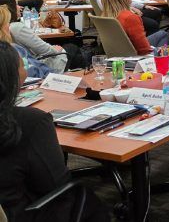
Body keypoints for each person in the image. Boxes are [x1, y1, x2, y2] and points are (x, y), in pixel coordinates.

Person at [0, 42, 110, 222]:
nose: (26, 70)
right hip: (22, 213)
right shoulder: (29, 122)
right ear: (11, 76)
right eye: (23, 65)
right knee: (87, 200)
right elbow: (56, 184)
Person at [0, 0, 68, 73]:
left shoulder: (8, 28)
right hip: (36, 66)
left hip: (29, 64)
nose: (19, 7)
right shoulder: (16, 27)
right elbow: (44, 49)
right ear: (9, 9)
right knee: (70, 48)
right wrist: (55, 49)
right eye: (16, 4)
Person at [101, 0, 169, 55]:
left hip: (115, 55)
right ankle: (161, 61)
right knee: (163, 34)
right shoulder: (130, 18)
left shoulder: (104, 15)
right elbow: (144, 50)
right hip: (134, 58)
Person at [0, 5, 53, 78]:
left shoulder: (14, 49)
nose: (9, 25)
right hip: (36, 82)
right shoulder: (14, 50)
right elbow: (33, 72)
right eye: (7, 22)